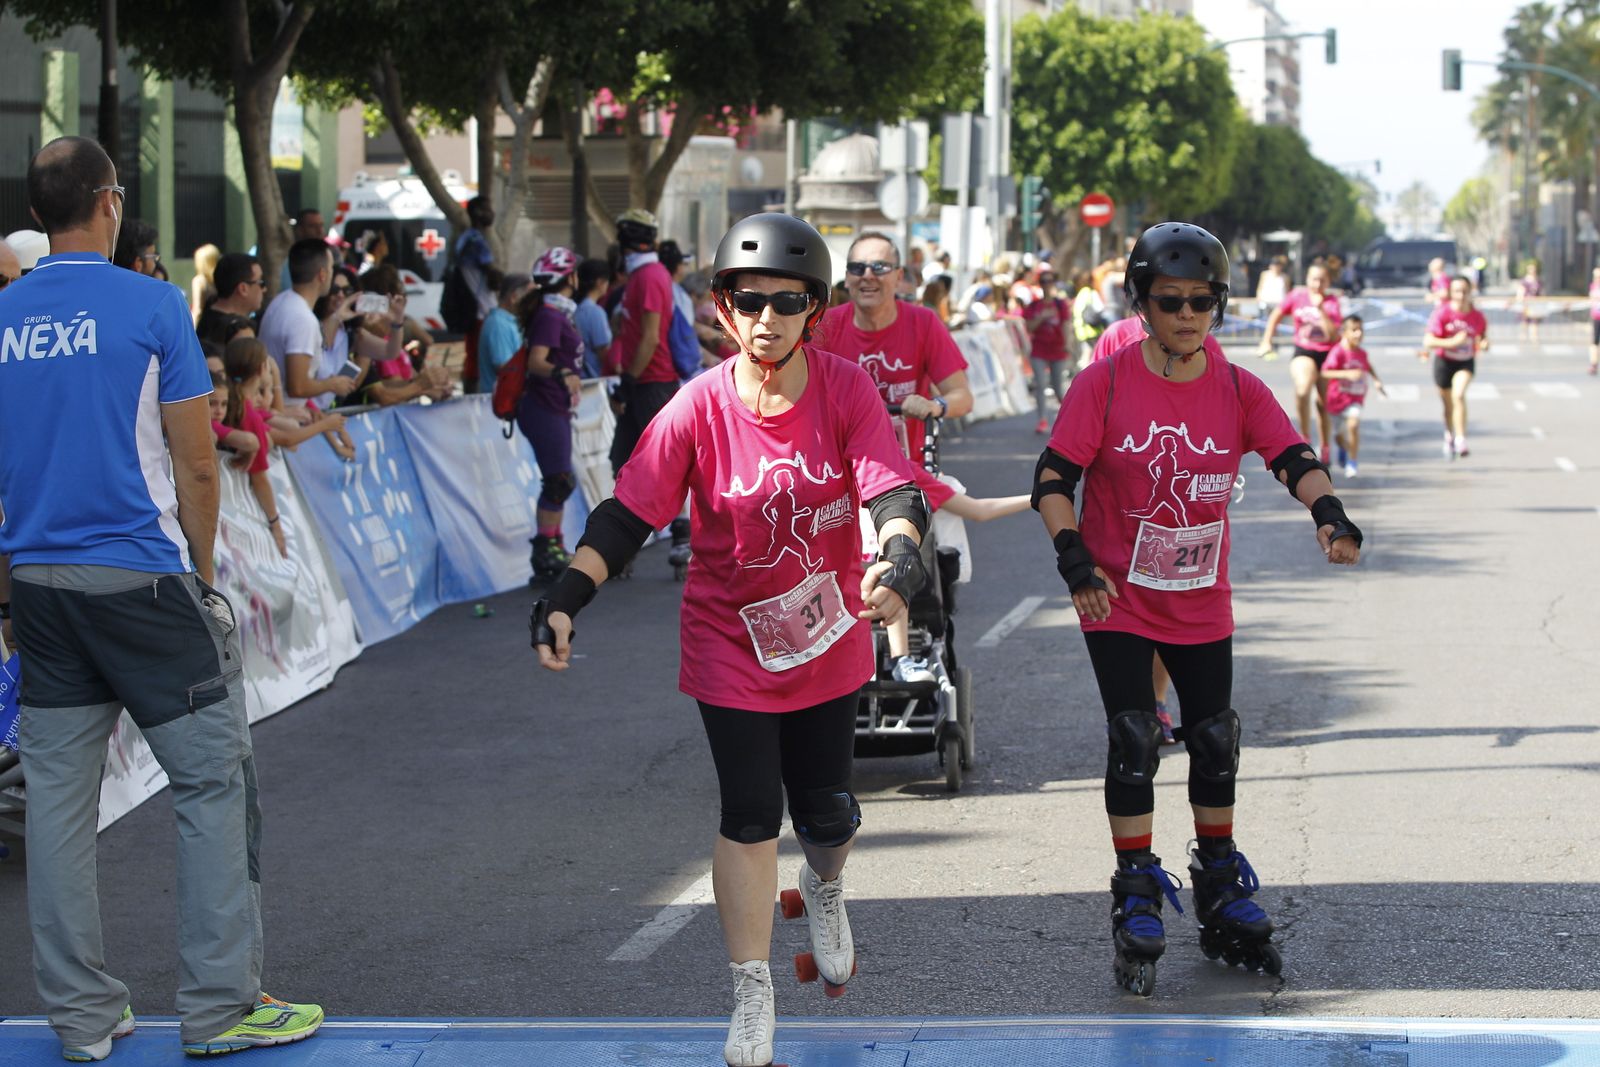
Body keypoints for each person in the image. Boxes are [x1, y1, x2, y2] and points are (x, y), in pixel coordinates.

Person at [532, 213, 927, 1067]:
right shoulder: (696, 407)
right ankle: (752, 991)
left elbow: (893, 491)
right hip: (730, 641)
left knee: (825, 810)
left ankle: (823, 883)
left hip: (825, 636)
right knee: (750, 812)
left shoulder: (845, 389)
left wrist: (897, 561)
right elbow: (629, 512)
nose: (768, 318)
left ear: (815, 310)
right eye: (751, 301)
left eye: (789, 302)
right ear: (722, 305)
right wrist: (567, 595)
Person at [0, 135, 323, 1060]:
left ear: (37, 213)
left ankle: (81, 1017)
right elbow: (197, 463)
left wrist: (9, 599)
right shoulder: (149, 304)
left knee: (59, 805)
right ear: (109, 202)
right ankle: (222, 1004)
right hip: (142, 578)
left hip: (40, 584)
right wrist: (205, 580)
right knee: (214, 783)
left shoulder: (5, 315)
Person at [1033, 222, 1363, 998]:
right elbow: (1054, 476)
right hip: (1116, 592)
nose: (1187, 315)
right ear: (1142, 304)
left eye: (1202, 302)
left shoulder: (1237, 387)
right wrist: (1073, 555)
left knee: (1215, 739)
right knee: (1133, 736)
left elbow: (1294, 457)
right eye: (1170, 301)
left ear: (1219, 304)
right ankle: (1136, 884)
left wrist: (1331, 514)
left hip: (1198, 594)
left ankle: (1217, 874)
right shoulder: (1105, 383)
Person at [814, 231, 973, 475]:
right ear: (847, 278)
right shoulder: (824, 326)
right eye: (857, 268)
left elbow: (962, 397)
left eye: (879, 267)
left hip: (905, 472)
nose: (867, 276)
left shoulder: (924, 323)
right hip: (838, 472)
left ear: (898, 277)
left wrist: (934, 405)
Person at [517, 248, 586, 584]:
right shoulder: (550, 315)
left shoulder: (558, 312)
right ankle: (546, 549)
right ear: (569, 278)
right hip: (543, 407)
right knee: (558, 481)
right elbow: (536, 361)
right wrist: (562, 373)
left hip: (555, 406)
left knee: (560, 481)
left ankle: (553, 544)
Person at [606, 208, 680, 476]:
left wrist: (626, 382)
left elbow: (650, 338)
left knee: (654, 472)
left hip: (651, 383)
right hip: (642, 382)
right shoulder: (642, 274)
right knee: (624, 467)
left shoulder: (649, 275)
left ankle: (674, 520)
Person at [259, 239, 360, 410]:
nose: (331, 274)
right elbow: (297, 387)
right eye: (330, 269)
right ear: (322, 275)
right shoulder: (303, 320)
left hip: (284, 412)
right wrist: (332, 384)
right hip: (287, 418)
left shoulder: (281, 301)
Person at [1256, 263, 1341, 464]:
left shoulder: (1332, 302)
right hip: (1304, 351)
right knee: (1303, 390)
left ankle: (1326, 446)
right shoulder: (1297, 296)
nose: (1318, 284)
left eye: (1322, 280)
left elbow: (1335, 335)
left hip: (1328, 355)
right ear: (1307, 279)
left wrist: (1322, 311)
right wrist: (1267, 339)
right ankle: (1304, 438)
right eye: (1314, 279)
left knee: (1323, 404)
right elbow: (1277, 314)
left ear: (1328, 281)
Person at [220, 337, 291, 557]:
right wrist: (275, 524)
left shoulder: (230, 401)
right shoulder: (247, 413)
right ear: (262, 369)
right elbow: (259, 477)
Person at [1421, 275, 1488, 459]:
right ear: (1451, 293)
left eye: (1465, 291)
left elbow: (1482, 336)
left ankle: (1461, 439)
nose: (1461, 295)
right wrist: (1451, 342)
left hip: (1465, 361)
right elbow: (1428, 340)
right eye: (1457, 291)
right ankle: (1449, 434)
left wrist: (1483, 344)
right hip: (1444, 362)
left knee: (1459, 395)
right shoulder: (1442, 313)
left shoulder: (1477, 316)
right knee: (1448, 406)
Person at [1320, 316, 1386, 478]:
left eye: (1361, 330)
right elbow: (1325, 372)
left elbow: (1367, 365)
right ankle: (1343, 448)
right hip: (1337, 401)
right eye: (1354, 330)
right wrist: (1346, 374)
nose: (1358, 334)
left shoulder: (1361, 353)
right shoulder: (1338, 352)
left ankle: (1353, 461)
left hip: (1355, 399)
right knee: (1339, 437)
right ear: (1344, 332)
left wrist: (1376, 380)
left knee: (1354, 424)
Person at [1022, 268, 1072, 434]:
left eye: (1049, 281)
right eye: (1043, 281)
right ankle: (1042, 419)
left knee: (1058, 387)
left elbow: (1065, 324)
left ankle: (1070, 417)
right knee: (1041, 384)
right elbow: (1029, 327)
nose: (1046, 285)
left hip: (1057, 349)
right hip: (1039, 349)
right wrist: (1042, 317)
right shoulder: (1034, 306)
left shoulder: (1060, 304)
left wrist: (1067, 343)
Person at [456, 197, 498, 392]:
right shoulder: (477, 241)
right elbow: (493, 276)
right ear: (478, 212)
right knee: (478, 359)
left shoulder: (466, 237)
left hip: (474, 308)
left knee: (472, 356)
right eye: (488, 209)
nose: (493, 213)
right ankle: (472, 399)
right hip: (481, 309)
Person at [478, 269, 531, 395]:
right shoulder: (498, 324)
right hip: (501, 403)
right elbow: (505, 368)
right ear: (514, 297)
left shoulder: (507, 321)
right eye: (531, 297)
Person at [197, 253, 265, 347]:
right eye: (261, 283)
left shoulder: (207, 317)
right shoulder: (241, 334)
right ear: (243, 289)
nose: (265, 289)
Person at [574, 257, 614, 378]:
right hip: (594, 377)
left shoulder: (575, 309)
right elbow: (603, 351)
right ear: (600, 282)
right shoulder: (595, 312)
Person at [1072, 268, 1108, 368]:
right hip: (1092, 330)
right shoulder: (1091, 293)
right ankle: (1085, 377)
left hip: (1081, 330)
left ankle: (1082, 373)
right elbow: (1100, 308)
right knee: (1091, 356)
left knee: (1086, 353)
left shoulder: (1081, 293)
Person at [191, 243, 221, 322]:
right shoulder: (223, 279)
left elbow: (197, 310)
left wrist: (192, 331)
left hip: (205, 325)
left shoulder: (199, 281)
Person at [1515, 259, 1543, 342]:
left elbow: (1541, 292)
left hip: (1535, 303)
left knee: (1534, 320)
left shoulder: (1538, 281)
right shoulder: (1524, 281)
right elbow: (1520, 291)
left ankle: (1534, 336)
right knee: (1525, 320)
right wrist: (1519, 300)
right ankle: (1523, 334)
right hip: (1526, 303)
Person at [1588, 266, 1600, 376]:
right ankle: (1594, 364)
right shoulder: (1593, 287)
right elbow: (1591, 301)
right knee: (1594, 342)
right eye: (1596, 277)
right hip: (1597, 317)